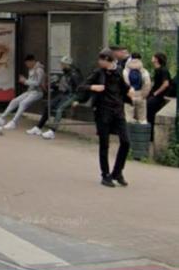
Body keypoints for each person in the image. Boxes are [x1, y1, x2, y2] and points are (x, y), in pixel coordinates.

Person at [78, 49, 132, 188]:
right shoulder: (98, 72)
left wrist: (131, 92)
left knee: (126, 142)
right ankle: (105, 175)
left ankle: (117, 172)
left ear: (108, 60)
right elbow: (81, 87)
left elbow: (124, 88)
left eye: (101, 59)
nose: (99, 62)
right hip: (103, 112)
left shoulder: (119, 71)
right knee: (104, 144)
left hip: (118, 111)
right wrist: (93, 87)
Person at [27, 56, 82, 139]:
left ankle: (52, 131)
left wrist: (77, 100)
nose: (61, 66)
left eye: (62, 64)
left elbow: (79, 88)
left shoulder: (75, 74)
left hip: (72, 96)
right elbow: (65, 86)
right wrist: (55, 85)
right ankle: (38, 128)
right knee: (48, 106)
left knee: (59, 109)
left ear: (67, 64)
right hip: (64, 94)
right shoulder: (67, 72)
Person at [0, 55, 46, 131]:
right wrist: (25, 81)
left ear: (32, 61)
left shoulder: (39, 69)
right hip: (30, 91)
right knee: (14, 101)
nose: (27, 65)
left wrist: (25, 81)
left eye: (27, 63)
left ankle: (14, 122)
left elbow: (38, 83)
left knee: (23, 103)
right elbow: (31, 82)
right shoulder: (31, 69)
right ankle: (2, 118)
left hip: (38, 92)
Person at [147, 52, 172, 136]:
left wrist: (155, 93)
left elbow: (166, 84)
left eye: (153, 56)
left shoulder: (163, 70)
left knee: (150, 110)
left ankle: (151, 135)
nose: (152, 58)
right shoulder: (157, 70)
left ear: (157, 59)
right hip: (154, 95)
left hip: (158, 96)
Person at [122, 53, 152, 124]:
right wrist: (143, 96)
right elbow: (147, 84)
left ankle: (129, 133)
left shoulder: (125, 71)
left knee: (128, 118)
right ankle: (142, 133)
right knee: (142, 119)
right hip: (140, 95)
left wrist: (127, 93)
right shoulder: (144, 71)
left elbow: (124, 84)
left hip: (129, 96)